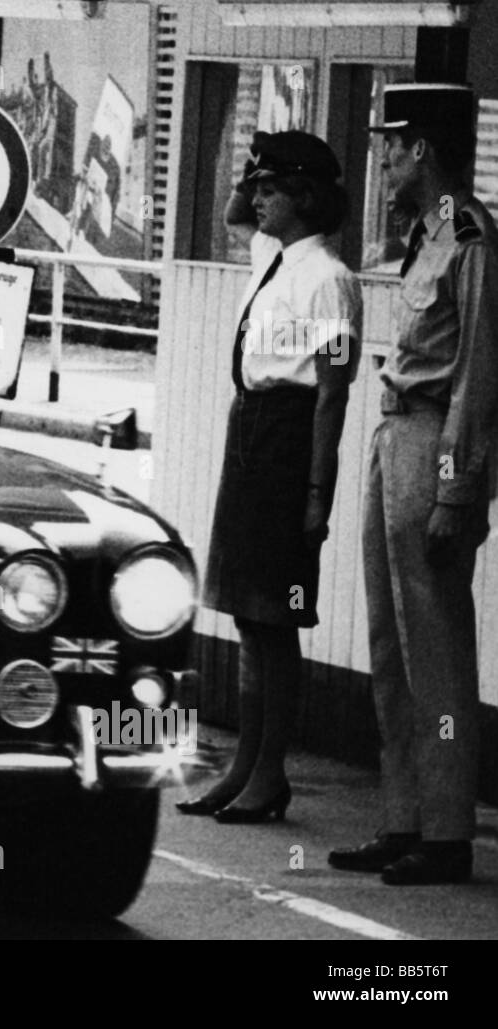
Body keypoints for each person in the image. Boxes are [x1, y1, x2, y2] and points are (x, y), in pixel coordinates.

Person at [330, 84, 498, 885]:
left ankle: (446, 830)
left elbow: (478, 378)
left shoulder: (471, 240)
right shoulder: (424, 235)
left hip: (433, 439)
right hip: (394, 430)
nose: (383, 158)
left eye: (391, 144)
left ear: (423, 148)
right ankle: (403, 817)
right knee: (391, 647)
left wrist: (456, 489)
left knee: (436, 650)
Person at [177, 131, 362, 823]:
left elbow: (332, 394)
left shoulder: (329, 280)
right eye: (258, 183)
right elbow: (233, 215)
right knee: (248, 619)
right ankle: (244, 765)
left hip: (289, 439)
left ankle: (271, 772)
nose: (257, 196)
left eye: (272, 186)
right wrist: (254, 160)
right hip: (249, 429)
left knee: (275, 618)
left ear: (306, 198)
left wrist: (318, 495)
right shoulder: (272, 256)